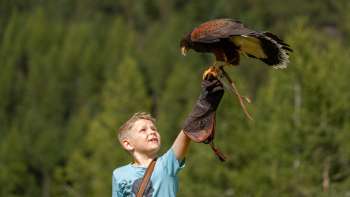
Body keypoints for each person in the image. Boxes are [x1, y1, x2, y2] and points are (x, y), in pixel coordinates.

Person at [112, 74, 224, 197]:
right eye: (143, 130)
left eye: (153, 128)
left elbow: (187, 132)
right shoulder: (119, 174)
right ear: (127, 144)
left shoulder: (167, 164)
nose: (151, 132)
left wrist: (207, 99)